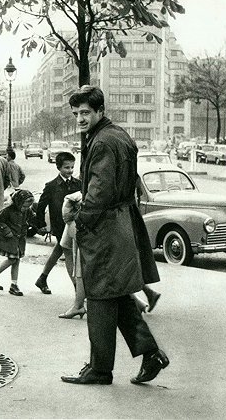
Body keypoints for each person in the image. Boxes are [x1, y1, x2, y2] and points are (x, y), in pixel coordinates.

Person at [61, 85, 168, 386]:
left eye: (85, 113)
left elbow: (99, 191)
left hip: (105, 228)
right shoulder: (117, 135)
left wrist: (81, 220)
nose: (80, 119)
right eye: (76, 114)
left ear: (99, 111)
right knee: (116, 295)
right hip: (119, 222)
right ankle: (149, 355)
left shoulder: (103, 142)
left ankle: (101, 368)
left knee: (98, 297)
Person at [33, 152, 82, 296]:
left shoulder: (78, 184)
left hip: (73, 224)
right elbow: (41, 206)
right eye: (67, 167)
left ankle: (42, 278)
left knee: (58, 250)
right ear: (58, 167)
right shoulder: (51, 186)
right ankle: (77, 288)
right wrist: (41, 223)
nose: (70, 170)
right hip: (59, 225)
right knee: (68, 253)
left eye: (72, 167)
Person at [0, 189, 36, 297]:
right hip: (11, 238)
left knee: (16, 260)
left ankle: (14, 284)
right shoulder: (7, 210)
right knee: (12, 259)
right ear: (18, 202)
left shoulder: (26, 210)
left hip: (19, 239)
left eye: (28, 206)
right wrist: (6, 231)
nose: (26, 209)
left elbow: (32, 218)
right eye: (24, 206)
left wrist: (37, 225)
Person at [58, 190, 87, 319]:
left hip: (85, 227)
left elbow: (68, 201)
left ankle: (78, 305)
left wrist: (69, 220)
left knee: (80, 266)